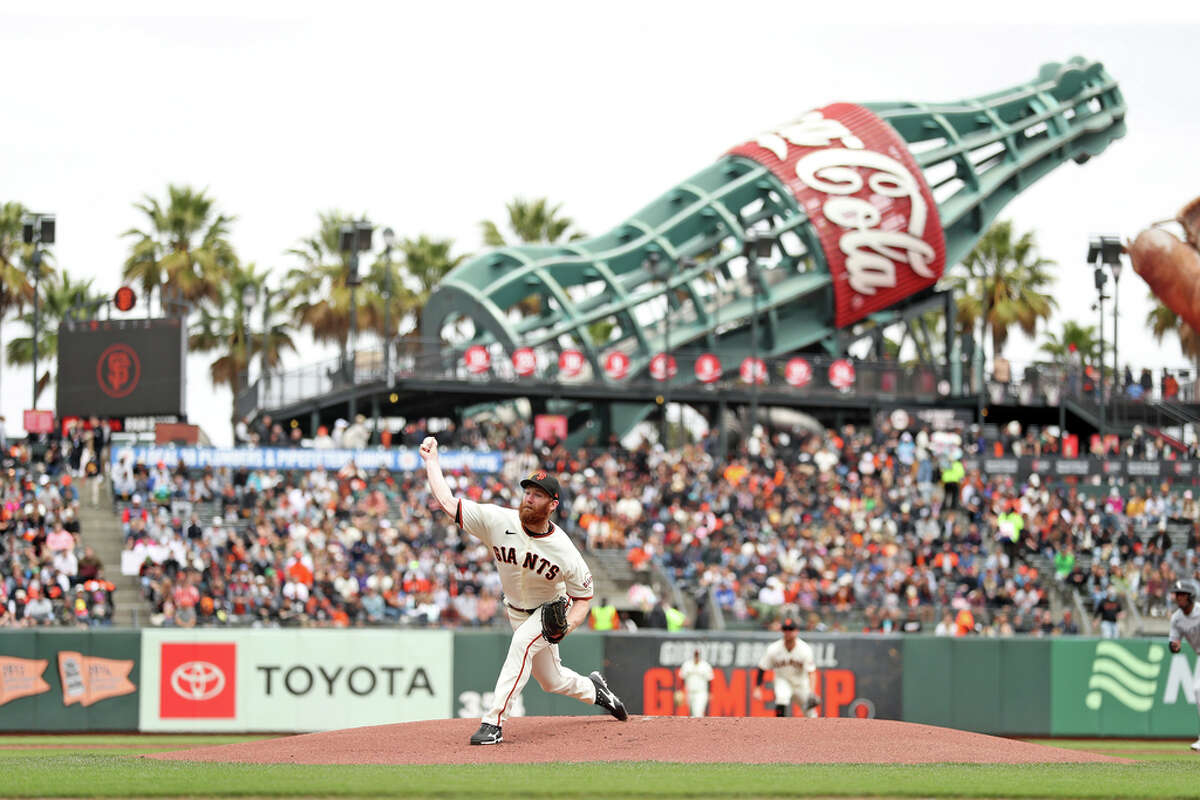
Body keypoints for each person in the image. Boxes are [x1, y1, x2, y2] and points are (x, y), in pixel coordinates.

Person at [419, 436, 627, 746]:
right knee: (552, 681)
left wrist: (567, 625)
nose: (529, 498)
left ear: (552, 505)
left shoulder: (565, 551)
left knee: (520, 645)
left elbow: (584, 597)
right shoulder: (497, 520)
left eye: (538, 495)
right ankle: (596, 690)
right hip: (515, 608)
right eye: (527, 492)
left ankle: (493, 722)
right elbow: (449, 503)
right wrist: (431, 462)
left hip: (548, 612)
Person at [753, 617, 819, 717]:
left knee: (811, 714)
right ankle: (779, 728)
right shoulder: (774, 648)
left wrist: (812, 692)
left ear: (796, 631)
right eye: (785, 629)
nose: (788, 632)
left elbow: (811, 672)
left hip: (800, 683)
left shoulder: (804, 649)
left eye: (790, 629)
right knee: (782, 698)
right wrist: (757, 688)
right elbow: (762, 668)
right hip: (782, 680)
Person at [1167, 579, 1200, 752]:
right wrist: (1175, 646)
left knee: (1198, 688)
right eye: (1177, 594)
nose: (1179, 597)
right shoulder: (1176, 619)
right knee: (1198, 689)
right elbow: (1173, 643)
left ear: (1191, 596)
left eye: (1182, 594)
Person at [677, 648, 714, 718]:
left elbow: (710, 680)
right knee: (691, 713)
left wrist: (710, 692)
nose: (696, 656)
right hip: (690, 692)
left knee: (698, 713)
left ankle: (699, 728)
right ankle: (694, 728)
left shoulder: (705, 665)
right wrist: (680, 690)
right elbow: (681, 678)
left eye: (697, 655)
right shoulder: (687, 665)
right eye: (695, 655)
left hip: (701, 693)